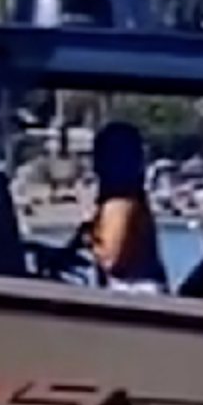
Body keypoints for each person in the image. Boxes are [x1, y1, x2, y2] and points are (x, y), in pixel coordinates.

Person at [49, 121, 169, 291]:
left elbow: (111, 261)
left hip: (134, 295)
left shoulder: (121, 205)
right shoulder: (130, 203)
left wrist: (89, 235)